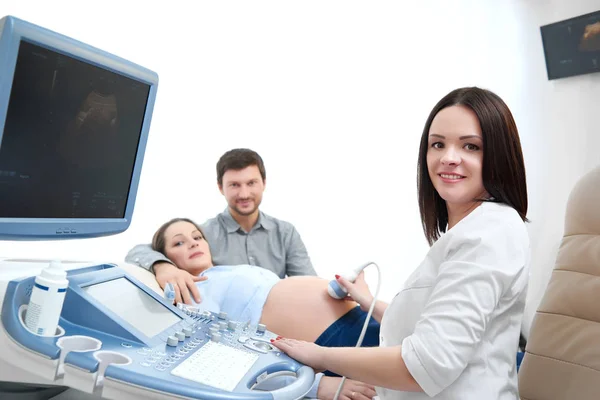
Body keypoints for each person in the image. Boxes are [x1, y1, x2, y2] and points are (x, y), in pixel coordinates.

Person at [271, 87, 530, 400]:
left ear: (498, 156)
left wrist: (320, 357)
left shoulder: (488, 233)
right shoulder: (473, 229)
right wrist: (369, 303)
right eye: (438, 144)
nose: (448, 158)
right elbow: (440, 321)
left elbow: (427, 363)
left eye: (470, 146)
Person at [151, 217, 379, 400]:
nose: (192, 243)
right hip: (334, 343)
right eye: (179, 242)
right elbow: (217, 355)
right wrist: (314, 385)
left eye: (197, 237)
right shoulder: (192, 292)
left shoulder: (225, 271)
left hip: (362, 317)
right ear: (166, 257)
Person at [126, 148, 316, 304]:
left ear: (264, 183)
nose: (244, 194)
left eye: (251, 183)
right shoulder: (203, 236)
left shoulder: (285, 232)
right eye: (234, 185)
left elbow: (310, 283)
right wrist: (164, 267)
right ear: (220, 187)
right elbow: (139, 251)